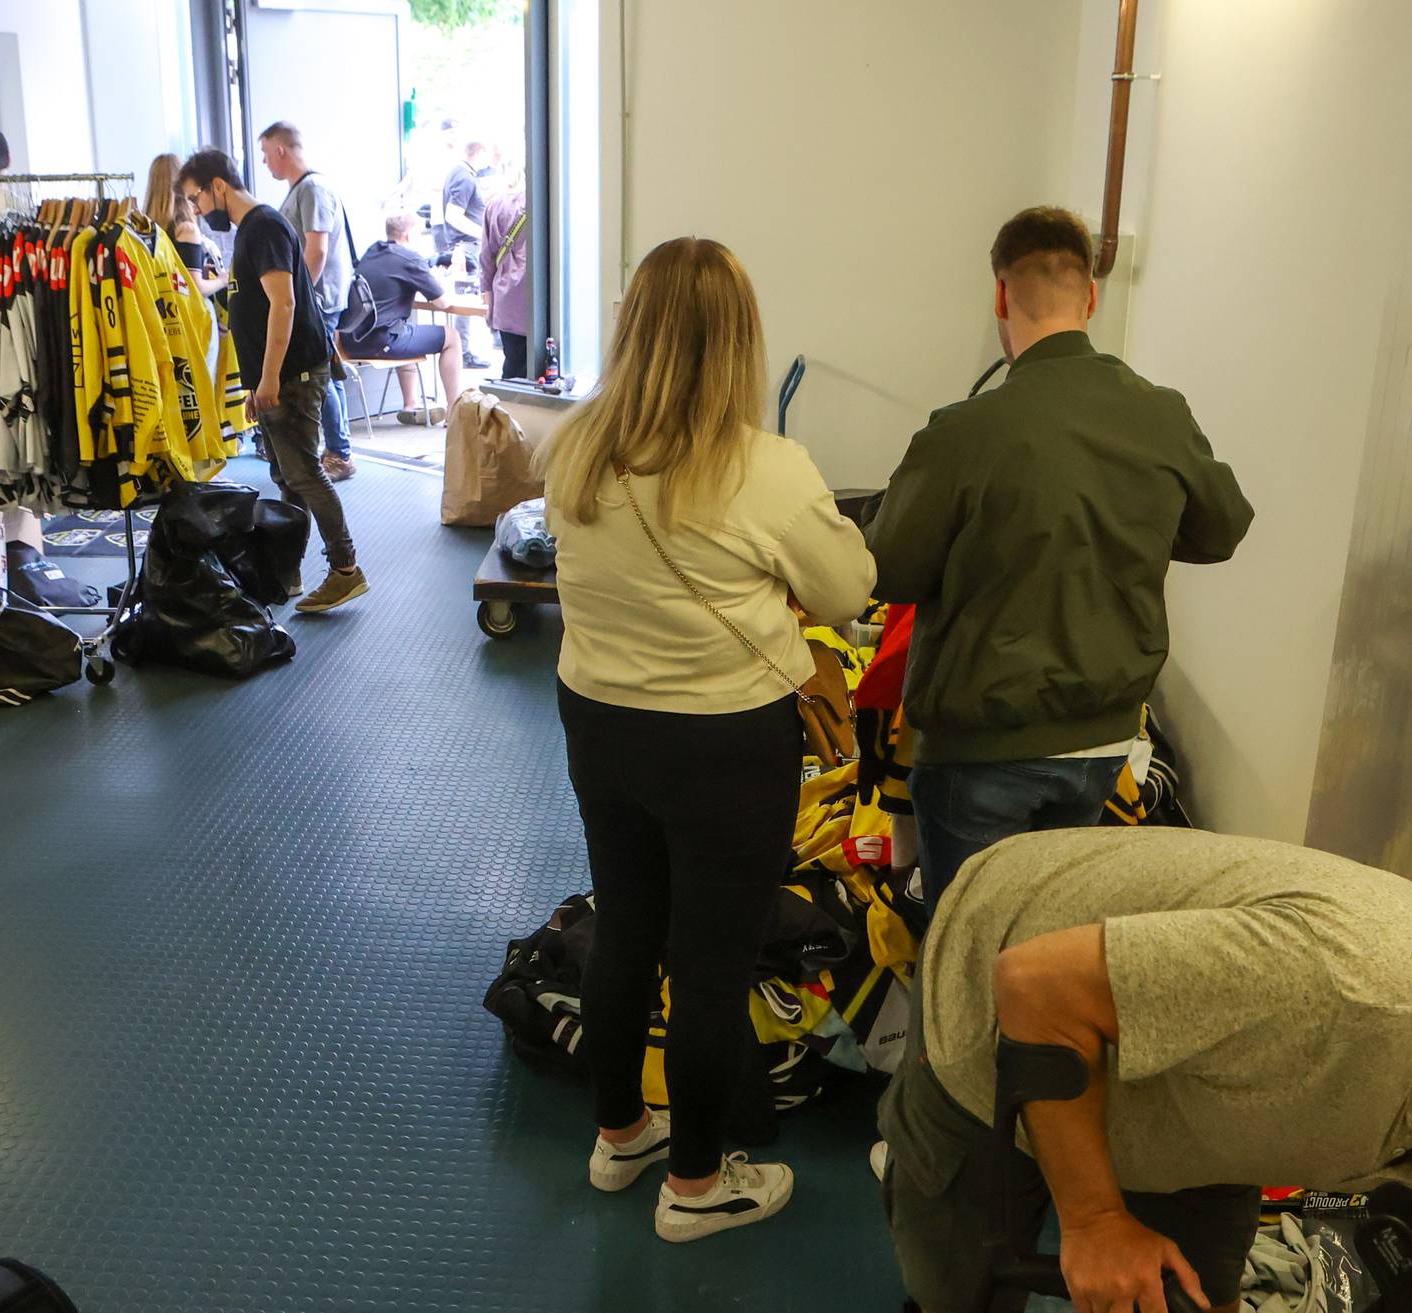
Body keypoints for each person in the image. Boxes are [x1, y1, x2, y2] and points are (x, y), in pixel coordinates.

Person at [879, 826, 1412, 1313]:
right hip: (1004, 992)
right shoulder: (1341, 984)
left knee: (1191, 1299)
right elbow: (1034, 985)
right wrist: (1096, 1220)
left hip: (1199, 1088)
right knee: (959, 1284)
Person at [544, 237, 877, 1243]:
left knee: (625, 928)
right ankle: (696, 1186)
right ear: (738, 341)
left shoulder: (574, 446)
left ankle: (620, 1136)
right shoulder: (766, 468)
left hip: (599, 721)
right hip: (725, 743)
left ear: (635, 328)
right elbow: (848, 592)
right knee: (712, 965)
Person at [864, 206, 1253, 912]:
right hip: (1100, 743)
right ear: (1091, 297)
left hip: (978, 750)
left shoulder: (962, 431)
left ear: (1000, 295)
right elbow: (1221, 528)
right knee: (1045, 937)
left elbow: (889, 568)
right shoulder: (1162, 415)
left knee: (968, 949)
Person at [179, 148, 367, 614]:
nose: (197, 211)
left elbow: (283, 304)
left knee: (303, 473)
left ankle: (346, 569)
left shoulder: (263, 227)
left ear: (218, 186)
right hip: (279, 375)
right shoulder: (252, 229)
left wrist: (267, 380)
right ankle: (288, 569)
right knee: (287, 476)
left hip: (292, 373)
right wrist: (256, 384)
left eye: (196, 198)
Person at [257, 121, 357, 482]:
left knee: (322, 375)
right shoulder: (302, 189)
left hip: (319, 299)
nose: (265, 162)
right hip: (315, 297)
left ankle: (339, 453)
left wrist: (298, 299)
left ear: (281, 150)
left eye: (266, 153)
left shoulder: (312, 188)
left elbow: (317, 249)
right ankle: (337, 448)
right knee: (326, 373)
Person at [340, 213, 462, 426]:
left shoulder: (372, 251)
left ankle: (410, 405)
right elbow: (442, 302)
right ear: (409, 235)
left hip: (350, 341)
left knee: (406, 329)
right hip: (381, 342)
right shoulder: (409, 259)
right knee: (452, 337)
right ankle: (454, 410)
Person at [437, 140, 491, 370]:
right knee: (466, 302)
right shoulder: (465, 177)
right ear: (479, 152)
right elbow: (453, 215)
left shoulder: (457, 173)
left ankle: (463, 351)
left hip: (462, 245)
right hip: (467, 246)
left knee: (465, 300)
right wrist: (483, 233)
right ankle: (464, 352)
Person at [142, 154, 225, 297]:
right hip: (183, 309)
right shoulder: (186, 230)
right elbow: (195, 288)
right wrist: (223, 280)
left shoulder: (143, 229)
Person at [478, 172, 530, 380]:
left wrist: (488, 296)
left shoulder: (497, 205)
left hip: (507, 299)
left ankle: (508, 400)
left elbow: (486, 258)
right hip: (547, 301)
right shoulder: (555, 204)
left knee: (513, 363)